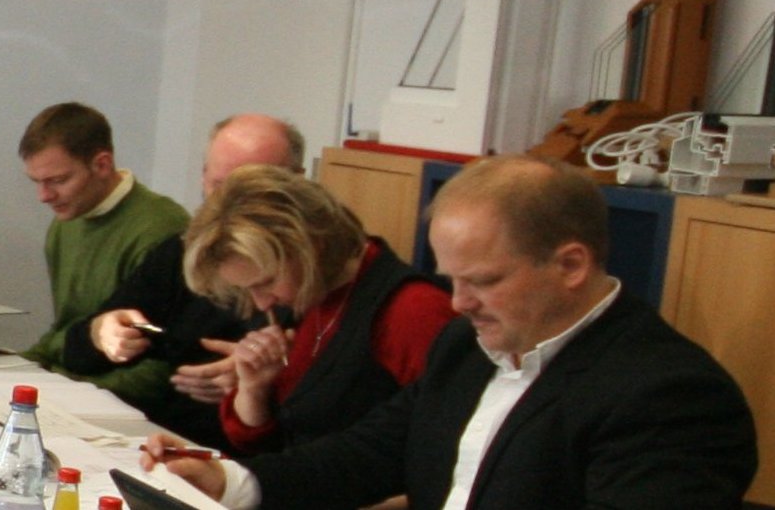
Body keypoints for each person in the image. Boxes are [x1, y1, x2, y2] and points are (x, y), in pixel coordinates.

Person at [147, 156, 758, 509]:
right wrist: (229, 480)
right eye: (452, 280)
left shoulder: (668, 394)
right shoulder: (467, 347)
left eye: (483, 281)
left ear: (571, 265)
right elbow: (368, 453)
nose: (459, 303)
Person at [59, 113, 304, 448]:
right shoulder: (181, 251)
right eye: (220, 186)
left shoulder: (310, 270)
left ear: (297, 184)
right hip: (161, 437)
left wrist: (264, 379)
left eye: (253, 190)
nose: (233, 206)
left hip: (251, 453)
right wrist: (102, 333)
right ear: (203, 177)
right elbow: (77, 351)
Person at [176, 165, 455, 453]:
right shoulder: (305, 296)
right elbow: (264, 445)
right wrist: (254, 389)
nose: (262, 303)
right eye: (248, 289)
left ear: (311, 247)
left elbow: (444, 444)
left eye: (267, 282)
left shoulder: (412, 312)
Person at [16, 102, 191, 419]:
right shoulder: (66, 222)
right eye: (36, 182)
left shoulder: (162, 230)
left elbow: (160, 367)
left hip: (123, 405)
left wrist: (63, 390)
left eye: (58, 180)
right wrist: (16, 369)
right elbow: (66, 329)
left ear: (102, 164)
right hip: (71, 388)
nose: (44, 196)